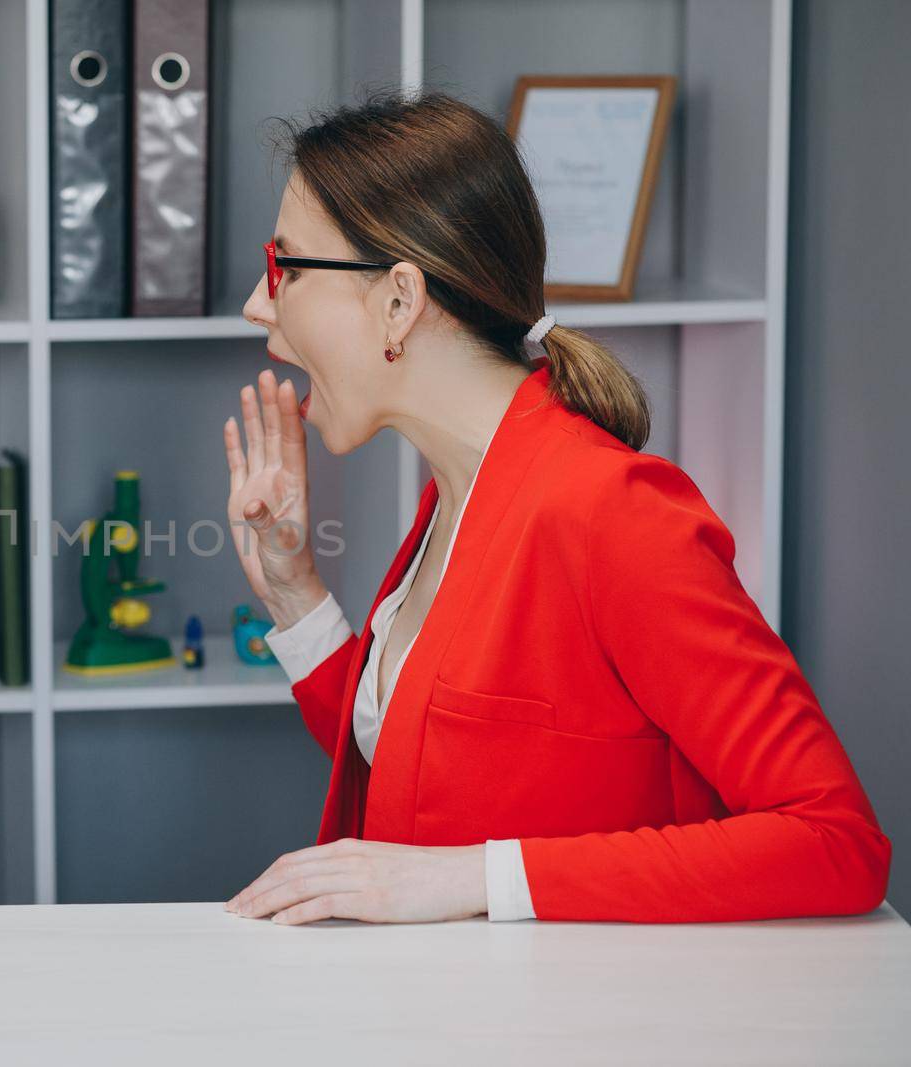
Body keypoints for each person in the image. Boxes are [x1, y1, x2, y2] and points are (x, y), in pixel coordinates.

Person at [221, 93, 889, 924]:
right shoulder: (456, 492)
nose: (258, 301)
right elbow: (427, 768)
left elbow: (835, 840)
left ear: (398, 300)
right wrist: (295, 596)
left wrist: (472, 878)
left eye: (285, 266)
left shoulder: (613, 513)